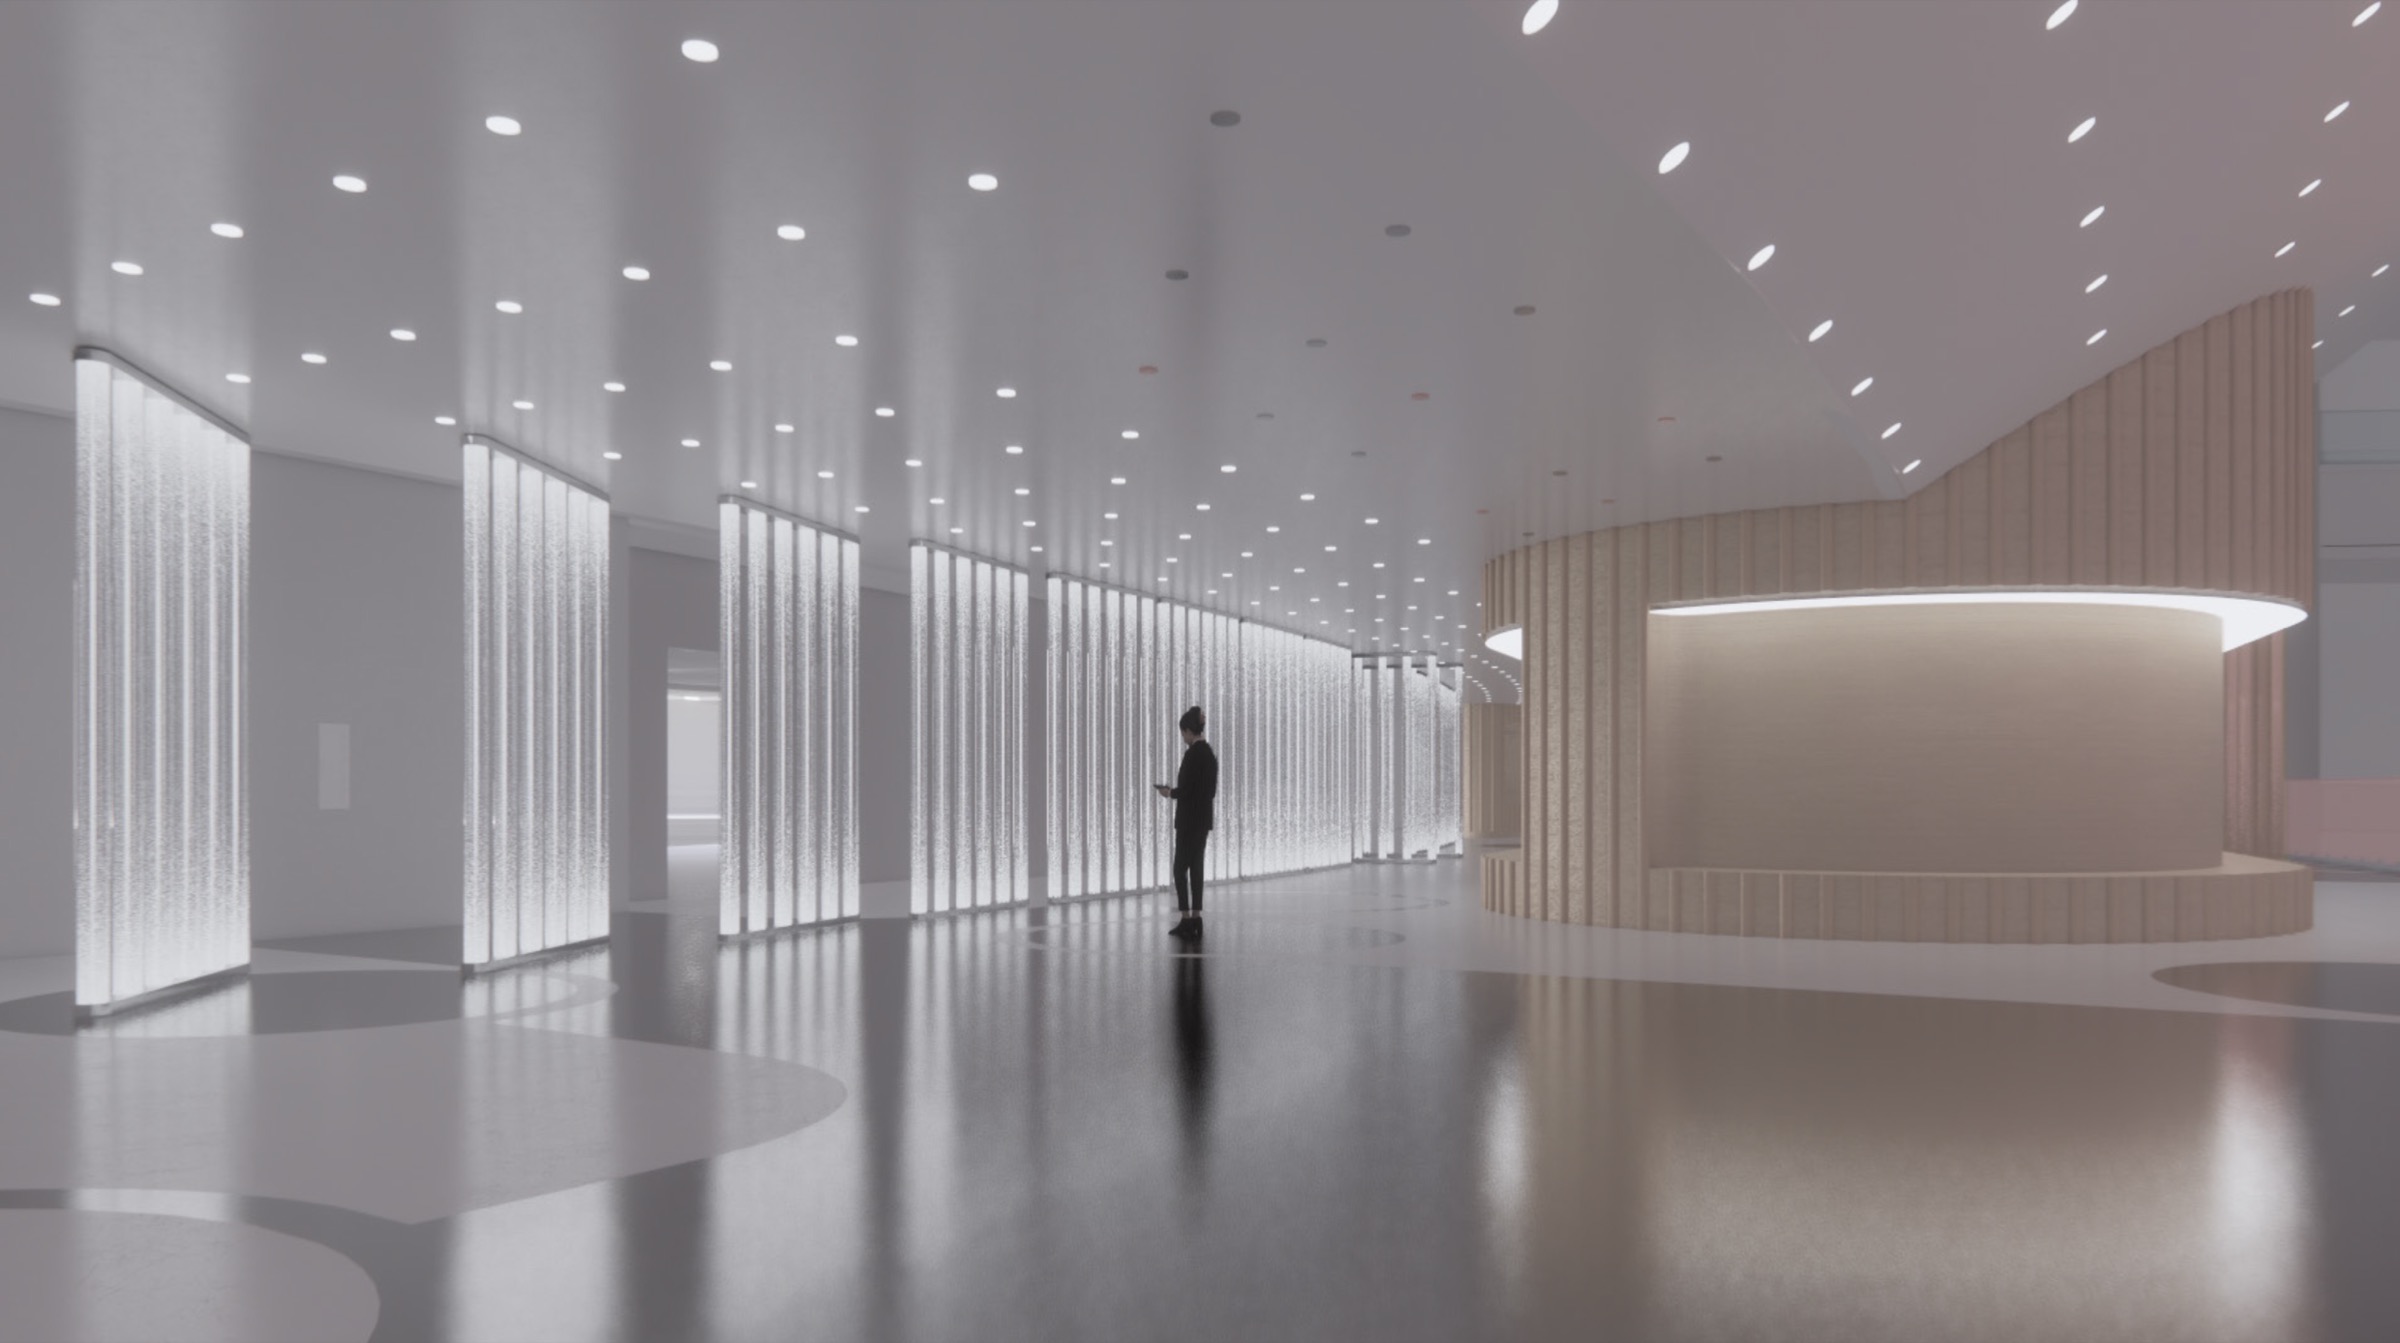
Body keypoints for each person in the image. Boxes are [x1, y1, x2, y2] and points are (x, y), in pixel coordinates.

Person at [1154, 705, 1216, 941]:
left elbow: (1187, 790)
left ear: (1190, 731)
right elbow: (1208, 791)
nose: (1182, 737)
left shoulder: (1192, 755)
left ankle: (1186, 918)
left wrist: (1169, 792)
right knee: (1197, 867)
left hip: (1188, 821)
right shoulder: (1209, 754)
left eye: (1183, 732)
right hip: (1203, 820)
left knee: (1179, 869)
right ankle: (1197, 918)